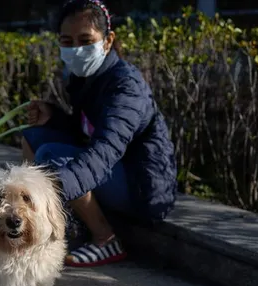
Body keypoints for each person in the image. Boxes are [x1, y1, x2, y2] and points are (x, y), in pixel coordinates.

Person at [21, 0, 177, 267]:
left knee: (52, 157)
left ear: (107, 40)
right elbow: (85, 131)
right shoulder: (88, 77)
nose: (76, 50)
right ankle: (69, 222)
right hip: (115, 170)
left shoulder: (126, 86)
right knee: (33, 136)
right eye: (67, 41)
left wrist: (54, 188)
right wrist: (54, 116)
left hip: (143, 187)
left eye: (85, 39)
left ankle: (106, 239)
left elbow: (105, 149)